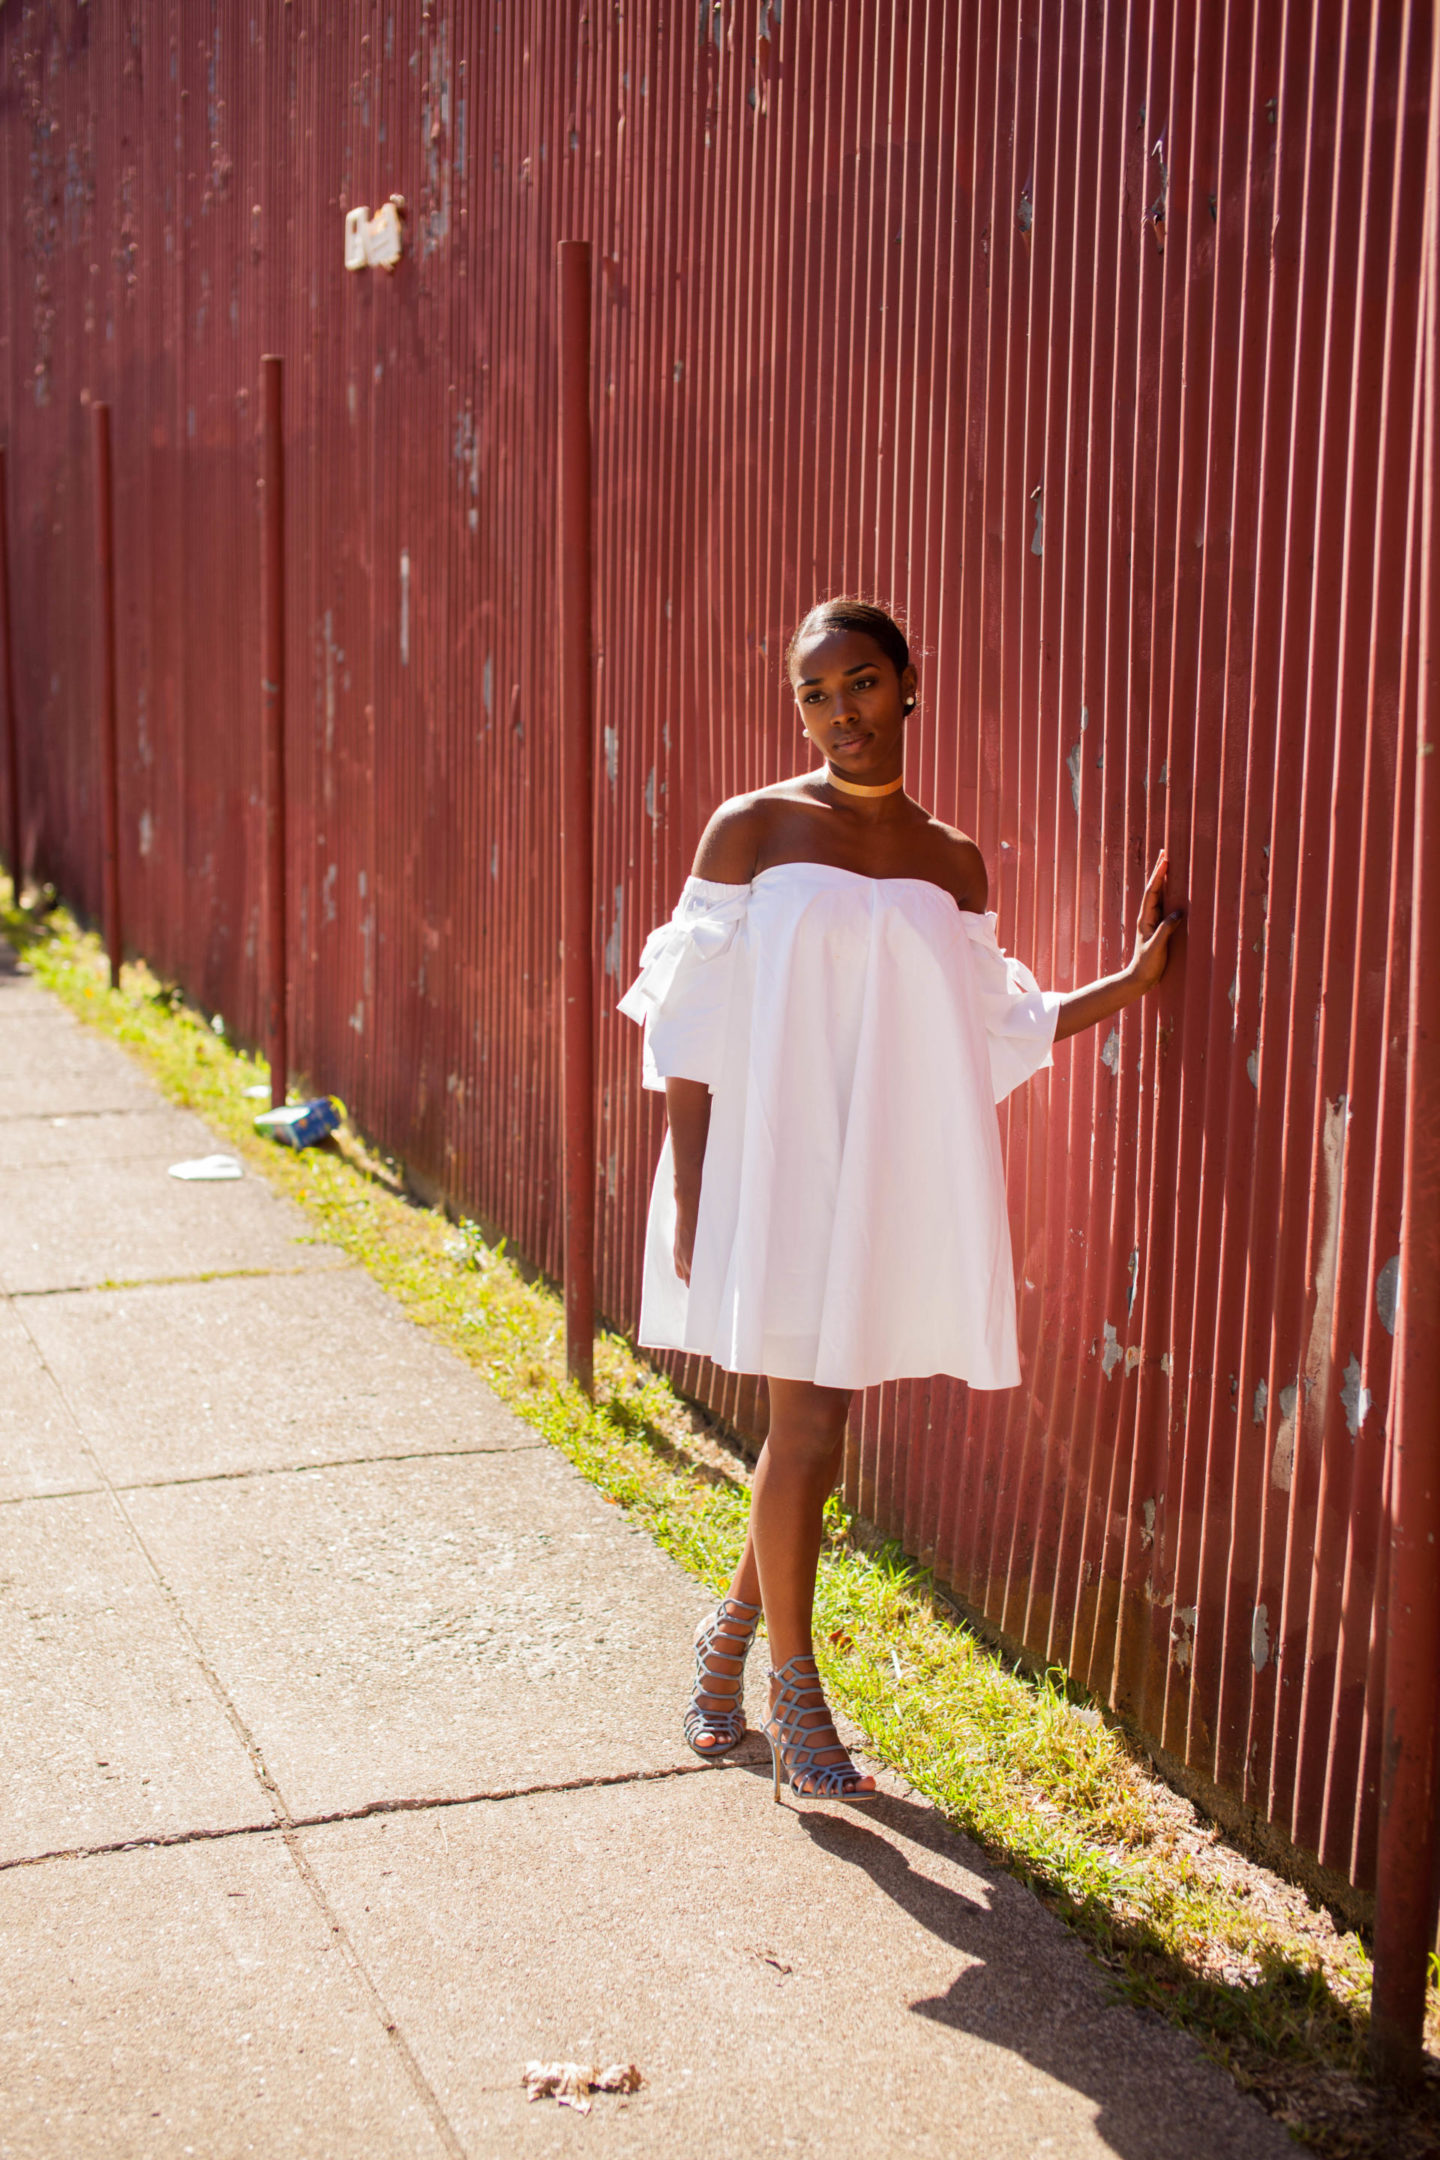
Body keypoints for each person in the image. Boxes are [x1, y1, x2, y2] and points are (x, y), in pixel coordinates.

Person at [618, 598, 1182, 1803]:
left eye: (861, 684)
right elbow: (687, 1023)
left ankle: (726, 1656)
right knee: (812, 1430)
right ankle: (796, 1688)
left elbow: (995, 1025)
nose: (840, 715)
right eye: (815, 696)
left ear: (909, 684)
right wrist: (697, 1195)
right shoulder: (753, 828)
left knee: (816, 1438)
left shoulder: (952, 857)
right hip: (769, 1165)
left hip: (873, 1171)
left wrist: (1130, 985)